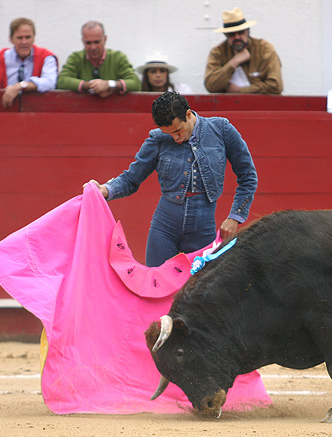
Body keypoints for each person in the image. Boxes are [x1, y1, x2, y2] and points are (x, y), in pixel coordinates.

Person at [85, 91, 257, 267]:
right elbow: (131, 179)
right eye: (169, 134)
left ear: (188, 114)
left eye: (178, 131)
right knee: (155, 281)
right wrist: (105, 190)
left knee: (203, 283)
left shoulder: (221, 129)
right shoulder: (158, 139)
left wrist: (235, 217)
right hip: (164, 228)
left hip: (203, 228)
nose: (176, 138)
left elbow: (248, 176)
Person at [204, 7, 283, 94]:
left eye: (241, 32)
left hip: (263, 103)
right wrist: (233, 62)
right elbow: (210, 86)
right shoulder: (217, 52)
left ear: (248, 31)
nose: (237, 37)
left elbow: (276, 86)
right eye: (231, 34)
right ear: (226, 35)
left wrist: (240, 90)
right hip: (231, 103)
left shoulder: (265, 49)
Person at [56, 20, 139, 97]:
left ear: (105, 39)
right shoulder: (75, 58)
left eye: (97, 42)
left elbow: (135, 83)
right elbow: (61, 81)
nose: (93, 47)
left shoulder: (118, 57)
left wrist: (109, 84)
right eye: (88, 43)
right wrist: (92, 85)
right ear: (83, 41)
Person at [0, 17, 57, 107]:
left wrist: (21, 86)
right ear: (11, 39)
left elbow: (50, 82)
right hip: (5, 109)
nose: (24, 42)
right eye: (19, 38)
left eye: (28, 37)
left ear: (34, 38)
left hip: (36, 110)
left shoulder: (46, 58)